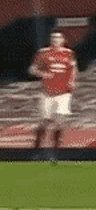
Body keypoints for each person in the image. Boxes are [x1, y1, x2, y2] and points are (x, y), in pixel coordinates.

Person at [29, 31, 78, 163]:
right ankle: (37, 148)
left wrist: (73, 81)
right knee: (44, 123)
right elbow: (32, 69)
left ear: (63, 40)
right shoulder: (44, 52)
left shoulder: (68, 53)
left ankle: (55, 152)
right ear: (51, 40)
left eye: (58, 38)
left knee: (59, 123)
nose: (56, 40)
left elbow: (73, 68)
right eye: (54, 38)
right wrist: (42, 74)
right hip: (47, 93)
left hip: (64, 93)